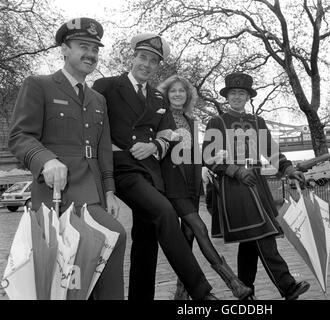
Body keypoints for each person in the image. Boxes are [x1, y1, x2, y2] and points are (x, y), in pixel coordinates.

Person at [8, 18, 126, 299]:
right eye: (83, 46)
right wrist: (45, 159)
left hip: (93, 191)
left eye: (95, 49)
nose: (91, 54)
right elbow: (20, 136)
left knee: (97, 251)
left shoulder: (98, 99)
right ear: (64, 49)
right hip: (57, 193)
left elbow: (103, 149)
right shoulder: (39, 85)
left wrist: (109, 189)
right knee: (97, 246)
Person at [92, 33, 216, 300]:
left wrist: (154, 146)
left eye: (153, 61)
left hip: (150, 172)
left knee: (146, 242)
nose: (147, 65)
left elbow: (169, 136)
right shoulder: (107, 86)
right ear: (133, 58)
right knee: (164, 212)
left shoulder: (159, 100)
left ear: (158, 66)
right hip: (121, 169)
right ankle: (201, 291)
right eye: (143, 57)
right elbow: (90, 123)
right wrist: (113, 148)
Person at [202, 72, 311, 300]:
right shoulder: (216, 122)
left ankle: (246, 292)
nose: (237, 97)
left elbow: (270, 150)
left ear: (248, 96)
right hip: (234, 187)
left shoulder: (257, 122)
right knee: (263, 233)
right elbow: (208, 156)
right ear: (227, 96)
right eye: (233, 93)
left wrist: (288, 169)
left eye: (242, 93)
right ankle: (287, 286)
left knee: (252, 241)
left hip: (257, 184)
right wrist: (235, 170)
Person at [157, 75, 252, 300]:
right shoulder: (161, 117)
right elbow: (160, 149)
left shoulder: (191, 119)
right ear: (167, 95)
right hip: (173, 183)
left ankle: (181, 293)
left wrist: (213, 156)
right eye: (173, 91)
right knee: (200, 228)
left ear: (188, 95)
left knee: (188, 235)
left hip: (191, 182)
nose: (178, 94)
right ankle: (233, 282)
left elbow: (192, 153)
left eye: (182, 91)